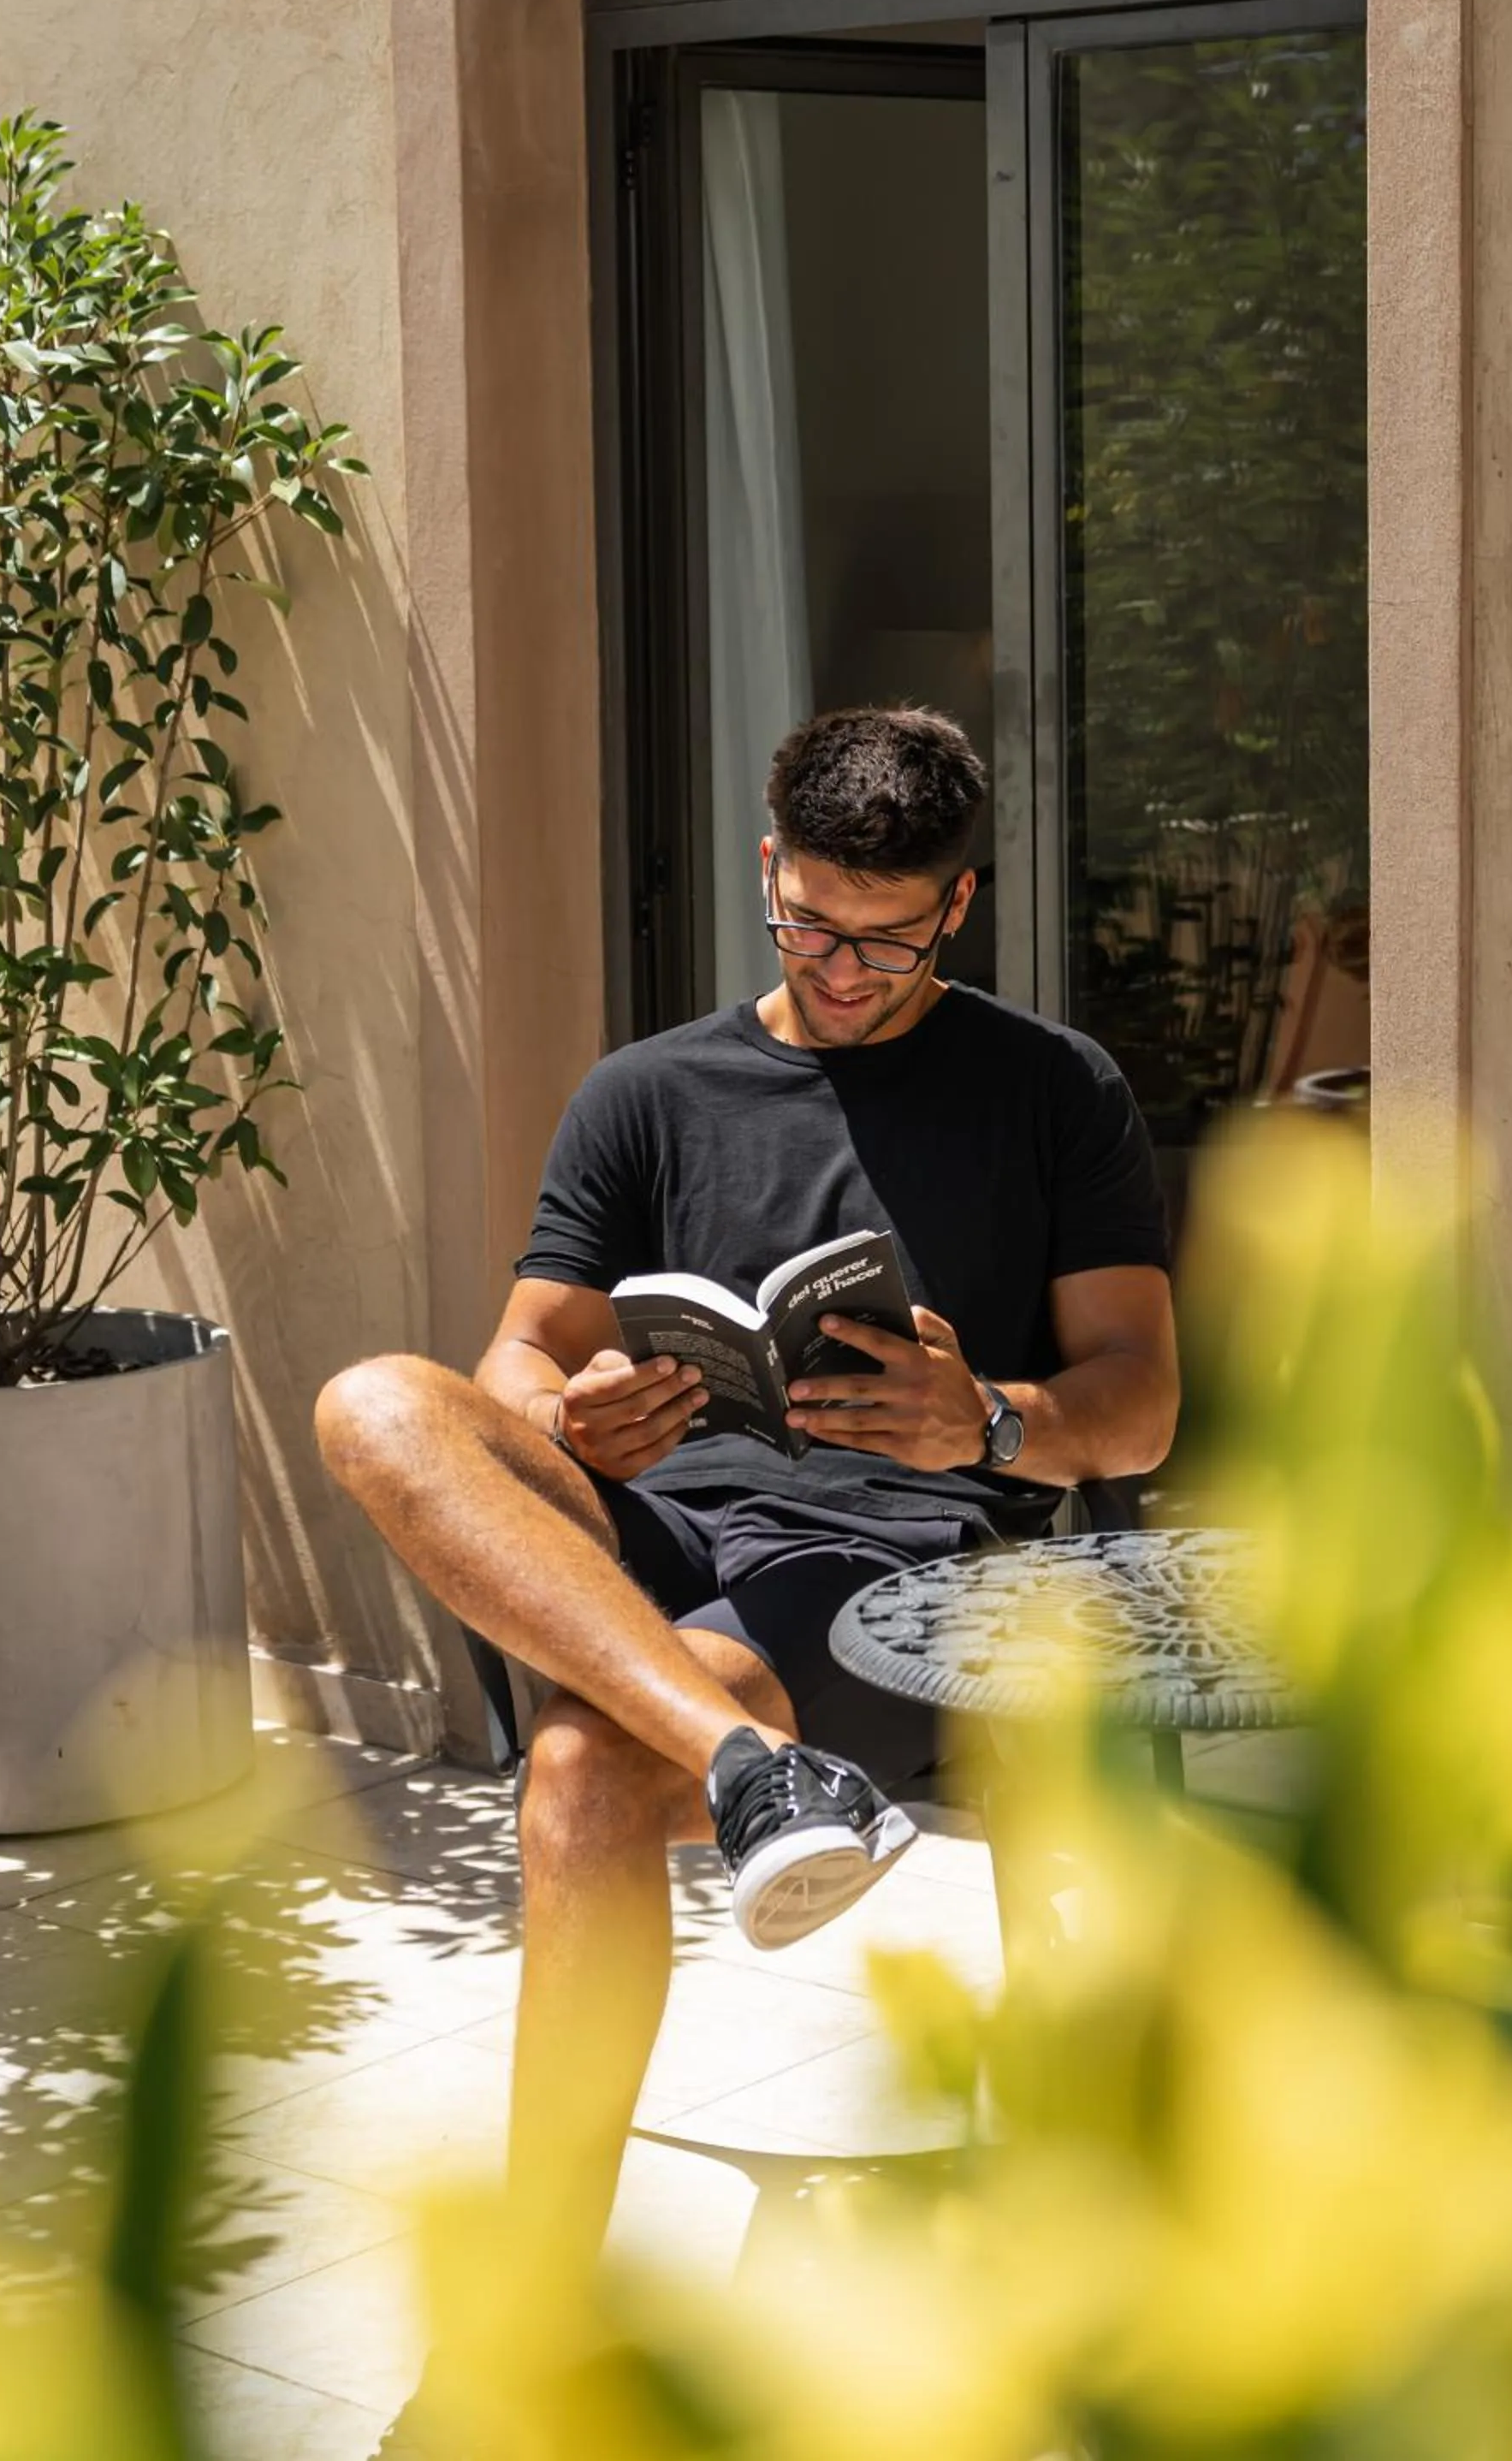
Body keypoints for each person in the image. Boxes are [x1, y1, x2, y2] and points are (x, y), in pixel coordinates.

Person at [314, 704, 1178, 2256]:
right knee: (377, 1402)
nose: (841, 972)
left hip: (877, 1574)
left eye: (889, 944)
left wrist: (980, 1418)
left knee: (579, 1779)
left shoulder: (1056, 1091)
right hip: (643, 1531)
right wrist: (577, 1415)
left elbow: (1140, 1408)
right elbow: (519, 1355)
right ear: (769, 867)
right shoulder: (645, 1092)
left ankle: (535, 2307)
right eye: (809, 925)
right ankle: (754, 1769)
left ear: (959, 908)